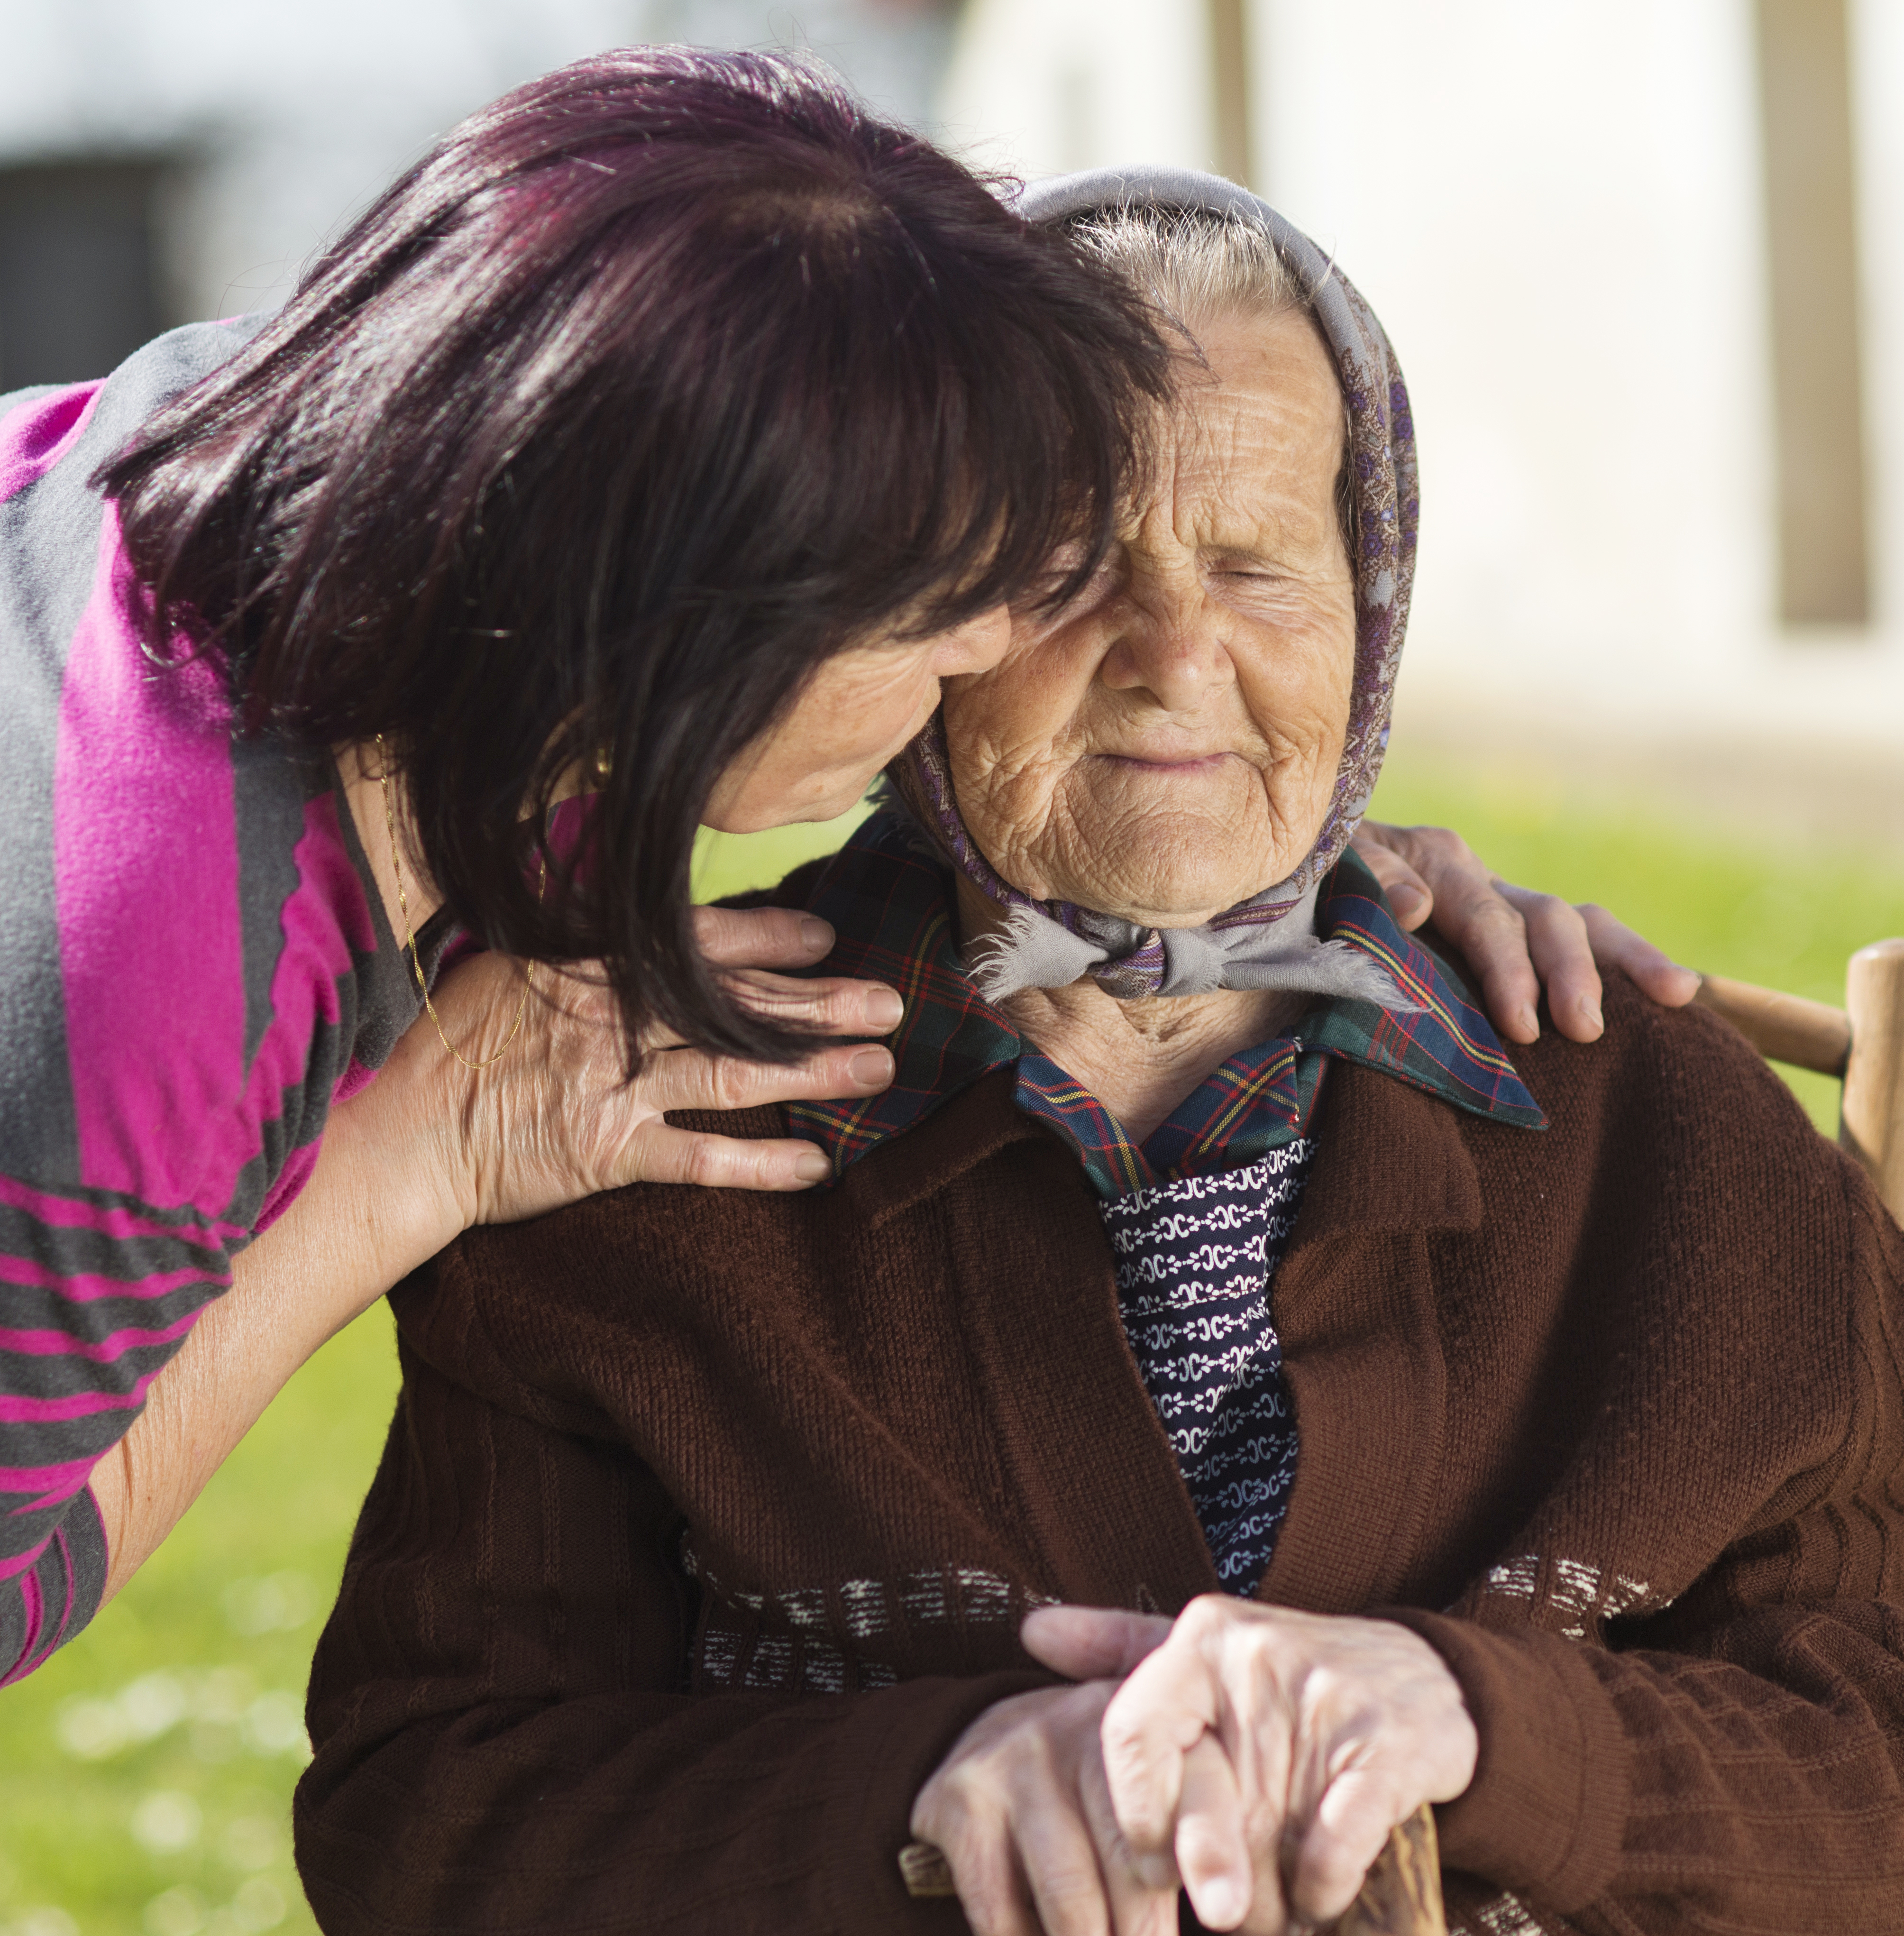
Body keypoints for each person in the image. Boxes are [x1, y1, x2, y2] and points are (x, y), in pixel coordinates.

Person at [293, 175, 1904, 1936]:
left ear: (1371, 595)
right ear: (908, 612)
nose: (1178, 653)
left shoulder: (1651, 1124)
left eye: (1263, 563)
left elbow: (1903, 1795)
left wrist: (1474, 1717)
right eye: (1071, 564)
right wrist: (915, 1802)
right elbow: (438, 1832)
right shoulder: (633, 1132)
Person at [0, 51, 1690, 1686]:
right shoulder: (149, 980)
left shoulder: (330, 459)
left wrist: (1271, 864)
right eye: (953, 606)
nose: (989, 655)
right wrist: (411, 1158)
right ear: (678, 631)